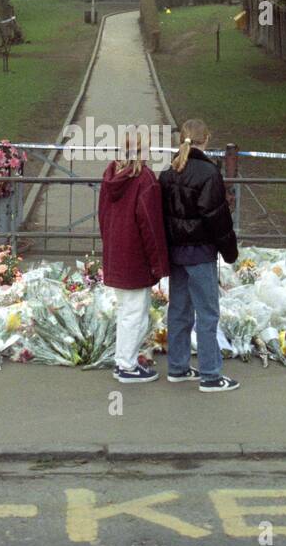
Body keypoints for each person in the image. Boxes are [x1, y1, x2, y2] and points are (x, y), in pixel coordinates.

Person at [159, 118, 240, 392]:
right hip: (201, 253)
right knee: (207, 313)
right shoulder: (208, 173)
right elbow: (217, 217)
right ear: (206, 140)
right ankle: (210, 374)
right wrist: (230, 251)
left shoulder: (168, 173)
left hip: (176, 252)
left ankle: (178, 367)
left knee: (179, 311)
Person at [98, 129, 170, 383]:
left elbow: (102, 216)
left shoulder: (111, 176)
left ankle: (123, 361)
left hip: (116, 252)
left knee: (126, 311)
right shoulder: (145, 179)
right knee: (135, 313)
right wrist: (158, 263)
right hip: (136, 256)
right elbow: (150, 226)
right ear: (142, 150)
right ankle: (126, 366)